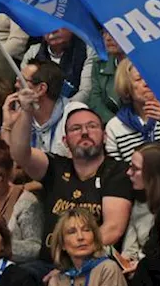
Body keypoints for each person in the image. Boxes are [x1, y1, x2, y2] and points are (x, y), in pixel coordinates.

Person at [7, 102, 134, 255]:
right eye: (76, 129)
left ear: (105, 136)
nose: (85, 132)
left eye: (92, 126)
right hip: (47, 264)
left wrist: (72, 259)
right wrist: (26, 112)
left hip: (93, 262)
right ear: (65, 141)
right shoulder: (54, 167)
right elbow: (20, 154)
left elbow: (113, 229)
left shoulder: (117, 171)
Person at [44, 206, 127, 286]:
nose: (80, 237)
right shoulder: (56, 281)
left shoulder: (108, 269)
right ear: (63, 245)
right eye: (72, 232)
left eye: (86, 230)